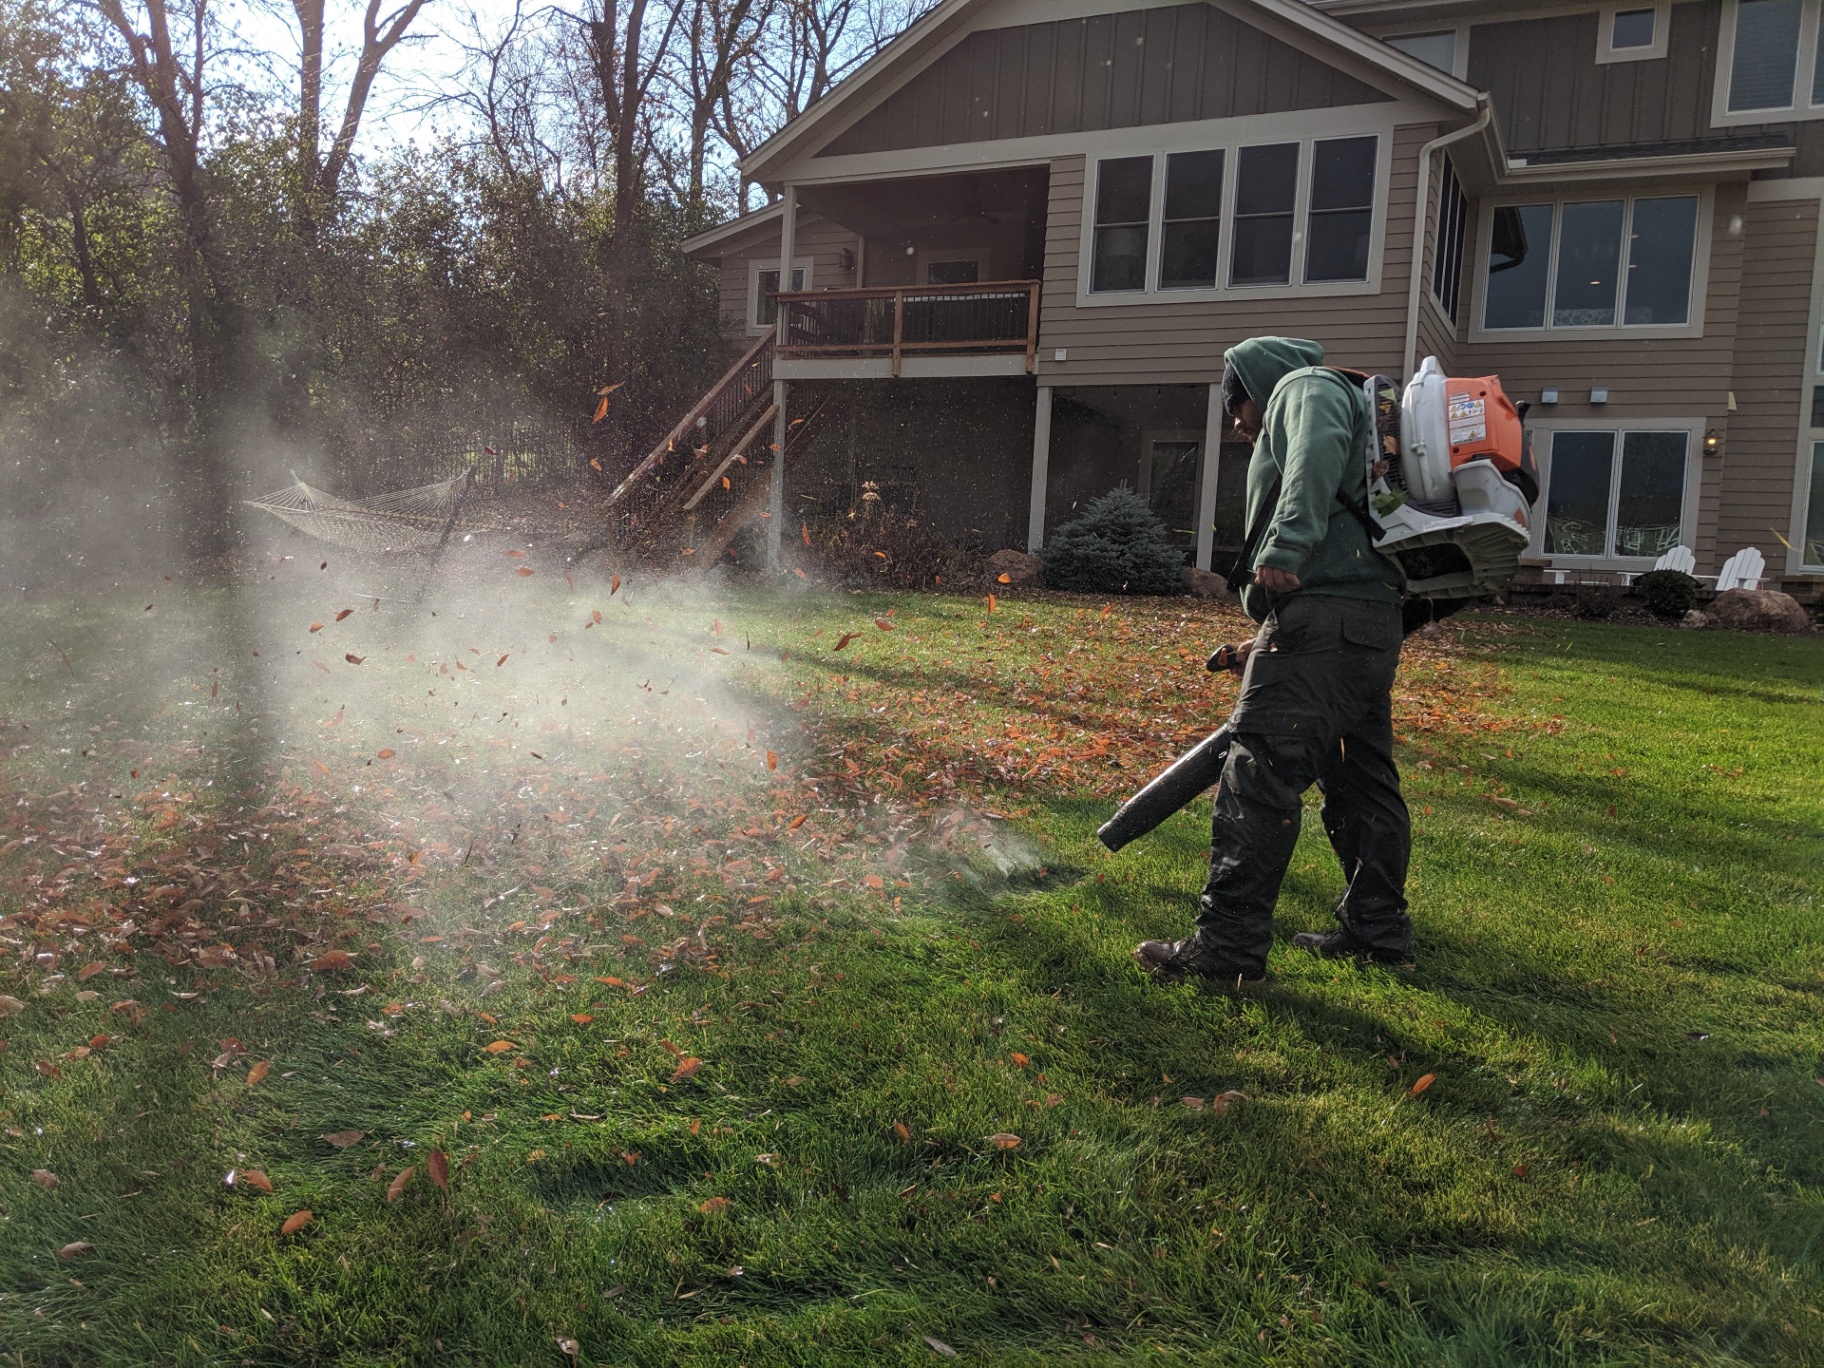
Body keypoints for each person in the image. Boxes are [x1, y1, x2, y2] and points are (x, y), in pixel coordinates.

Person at [1134, 336, 1414, 983]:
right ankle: (1378, 933)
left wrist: (1286, 545)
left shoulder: (1303, 388)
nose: (1236, 425)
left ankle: (1226, 952)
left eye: (1235, 407)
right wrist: (1255, 645)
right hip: (1366, 630)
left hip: (1317, 624)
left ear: (1253, 385)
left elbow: (1312, 451)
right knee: (1362, 783)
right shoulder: (1357, 405)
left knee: (1257, 779)